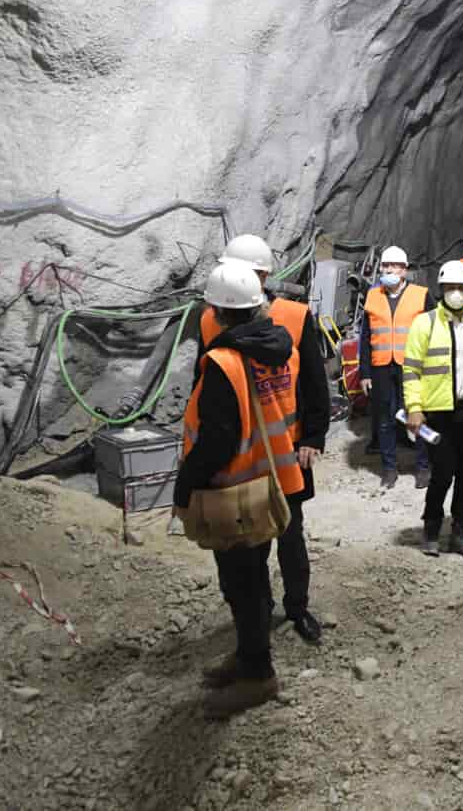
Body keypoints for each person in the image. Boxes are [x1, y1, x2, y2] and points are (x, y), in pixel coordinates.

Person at [179, 261, 299, 717]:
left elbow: (217, 440)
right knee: (251, 581)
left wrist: (185, 485)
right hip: (271, 482)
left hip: (235, 492)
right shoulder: (275, 348)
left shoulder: (224, 362)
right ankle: (248, 656)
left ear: (217, 310)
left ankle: (258, 674)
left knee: (242, 584)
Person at [196, 234, 329, 644]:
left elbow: (313, 381)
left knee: (290, 532)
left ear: (265, 275)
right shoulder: (209, 318)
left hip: (287, 448)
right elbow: (207, 382)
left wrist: (313, 435)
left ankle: (297, 606)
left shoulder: (294, 315)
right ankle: (259, 613)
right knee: (248, 538)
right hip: (240, 454)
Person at [402, 260, 463, 562]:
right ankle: (432, 529)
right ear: (441, 290)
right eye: (451, 288)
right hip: (438, 413)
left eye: (462, 288)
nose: (457, 294)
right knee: (442, 475)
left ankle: (460, 533)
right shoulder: (425, 323)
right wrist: (414, 408)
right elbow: (411, 370)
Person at [359, 246, 431, 489]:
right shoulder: (372, 296)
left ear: (405, 270)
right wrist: (365, 372)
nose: (389, 269)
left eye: (394, 265)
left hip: (412, 365)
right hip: (381, 366)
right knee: (384, 419)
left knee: (417, 414)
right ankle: (389, 468)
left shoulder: (421, 295)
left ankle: (423, 467)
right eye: (385, 265)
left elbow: (434, 332)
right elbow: (365, 337)